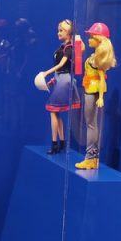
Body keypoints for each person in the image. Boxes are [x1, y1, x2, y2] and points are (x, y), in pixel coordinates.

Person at [75, 22, 117, 170]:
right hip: (89, 89)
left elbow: (101, 78)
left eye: (92, 37)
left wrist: (100, 97)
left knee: (91, 124)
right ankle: (92, 157)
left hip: (92, 92)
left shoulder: (99, 59)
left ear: (99, 40)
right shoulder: (94, 56)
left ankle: (91, 157)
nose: (89, 40)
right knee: (91, 124)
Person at [41, 19, 81, 154]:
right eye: (59, 30)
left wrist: (47, 72)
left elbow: (61, 65)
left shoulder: (69, 48)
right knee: (56, 112)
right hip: (61, 79)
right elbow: (60, 69)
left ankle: (54, 144)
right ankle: (61, 142)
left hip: (64, 80)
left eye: (61, 30)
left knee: (53, 111)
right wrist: (53, 79)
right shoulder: (62, 48)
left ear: (69, 33)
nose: (59, 33)